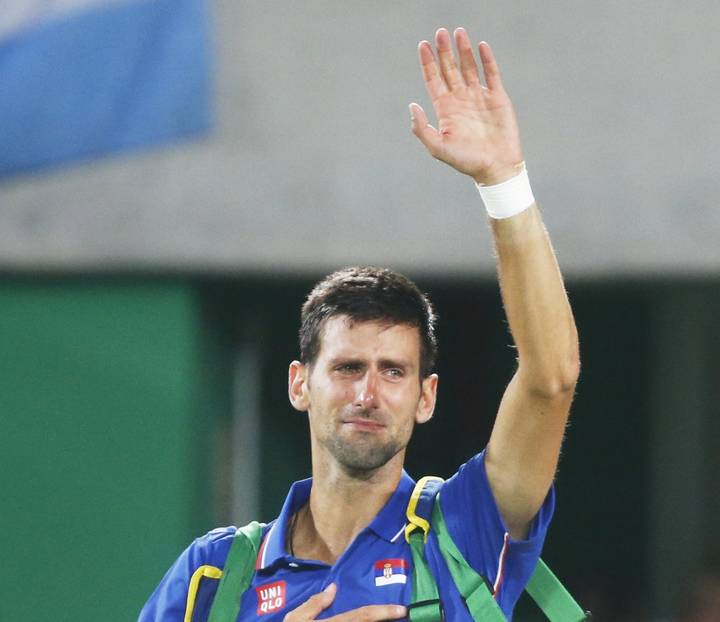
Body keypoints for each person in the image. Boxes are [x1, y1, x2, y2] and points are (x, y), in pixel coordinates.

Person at [139, 26, 580, 621]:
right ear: (300, 383)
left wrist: (503, 183)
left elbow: (551, 378)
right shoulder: (211, 576)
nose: (368, 393)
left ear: (426, 396)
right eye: (348, 367)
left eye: (393, 371)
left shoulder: (465, 530)